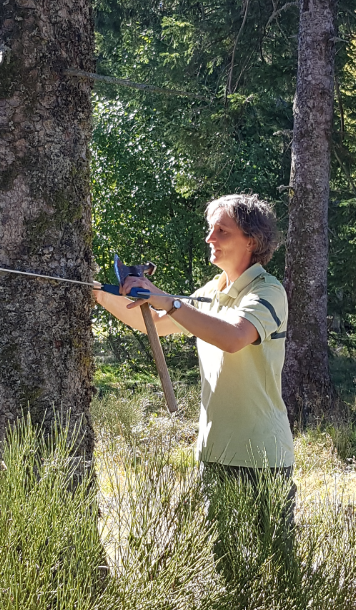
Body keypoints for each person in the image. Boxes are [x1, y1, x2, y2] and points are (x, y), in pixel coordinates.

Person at [93, 193, 296, 521]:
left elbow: (234, 337)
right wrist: (99, 294)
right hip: (214, 451)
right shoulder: (210, 292)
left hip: (262, 456)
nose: (209, 238)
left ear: (252, 240)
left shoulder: (267, 291)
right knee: (223, 563)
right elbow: (153, 325)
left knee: (272, 563)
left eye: (222, 231)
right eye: (210, 229)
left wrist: (168, 301)